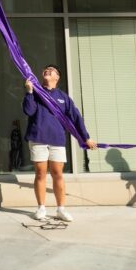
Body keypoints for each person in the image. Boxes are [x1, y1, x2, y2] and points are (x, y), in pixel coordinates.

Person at [22, 65, 97, 222]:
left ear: (57, 77)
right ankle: (41, 208)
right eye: (46, 69)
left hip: (57, 139)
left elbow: (76, 117)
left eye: (52, 70)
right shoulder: (36, 92)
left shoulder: (63, 97)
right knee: (41, 173)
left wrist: (86, 137)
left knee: (57, 174)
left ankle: (61, 209)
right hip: (38, 138)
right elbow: (28, 111)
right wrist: (29, 92)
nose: (48, 70)